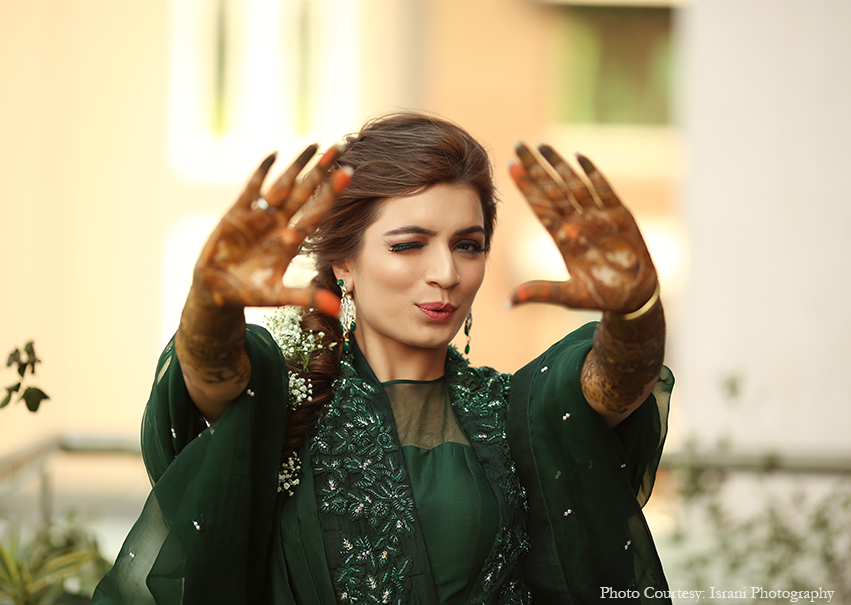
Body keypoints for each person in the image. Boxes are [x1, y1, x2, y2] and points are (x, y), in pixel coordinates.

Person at [92, 112, 673, 605]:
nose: (446, 273)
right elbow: (212, 373)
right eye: (409, 245)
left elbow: (616, 384)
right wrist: (209, 304)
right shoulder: (280, 397)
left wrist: (637, 311)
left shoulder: (516, 413)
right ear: (344, 262)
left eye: (468, 246)